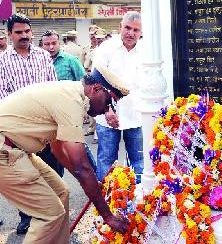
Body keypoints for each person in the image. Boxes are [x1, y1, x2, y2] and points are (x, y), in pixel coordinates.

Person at [0, 74, 130, 244]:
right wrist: (108, 216)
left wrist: (89, 183)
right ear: (96, 89)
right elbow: (82, 167)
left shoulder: (71, 93)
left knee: (61, 192)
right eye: (109, 102)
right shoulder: (71, 101)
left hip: (17, 149)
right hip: (6, 152)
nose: (108, 109)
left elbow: (58, 149)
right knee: (50, 214)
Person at [0, 13, 61, 235]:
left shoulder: (44, 56)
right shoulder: (3, 61)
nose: (24, 36)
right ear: (9, 34)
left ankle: (54, 213)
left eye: (27, 31)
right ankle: (27, 217)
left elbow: (53, 88)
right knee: (24, 175)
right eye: (18, 32)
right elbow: (2, 95)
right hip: (17, 130)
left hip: (45, 125)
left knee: (51, 170)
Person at [94, 11, 144, 183]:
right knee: (107, 161)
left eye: (135, 30)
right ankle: (104, 203)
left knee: (139, 162)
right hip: (107, 116)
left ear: (141, 32)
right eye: (127, 28)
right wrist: (107, 110)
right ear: (120, 27)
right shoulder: (105, 48)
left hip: (136, 116)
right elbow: (95, 82)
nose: (131, 33)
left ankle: (138, 200)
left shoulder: (146, 51)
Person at [41, 30, 96, 170]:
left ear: (60, 43)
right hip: (47, 117)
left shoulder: (70, 60)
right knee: (54, 154)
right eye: (47, 44)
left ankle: (99, 182)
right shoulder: (38, 62)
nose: (51, 47)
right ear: (42, 45)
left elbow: (85, 84)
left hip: (69, 115)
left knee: (80, 151)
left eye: (54, 43)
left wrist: (84, 108)